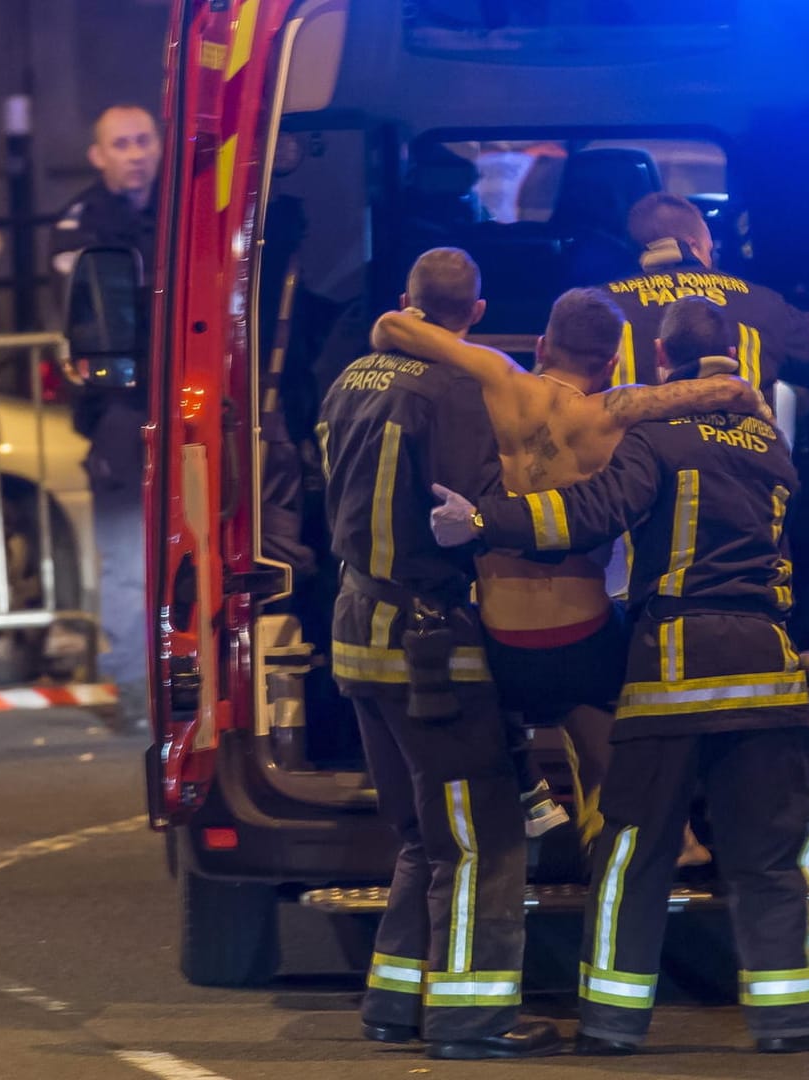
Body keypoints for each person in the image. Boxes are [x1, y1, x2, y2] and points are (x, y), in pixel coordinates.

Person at [431, 295, 809, 1055]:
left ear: (661, 360)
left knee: (632, 852)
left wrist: (485, 523)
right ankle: (792, 1019)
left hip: (675, 669)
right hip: (768, 669)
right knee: (772, 853)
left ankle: (613, 1024)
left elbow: (589, 514)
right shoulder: (772, 445)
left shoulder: (658, 438)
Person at [369, 287, 767, 857]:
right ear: (609, 362)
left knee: (477, 703)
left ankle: (527, 798)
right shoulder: (617, 409)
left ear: (542, 344)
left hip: (503, 640)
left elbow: (392, 326)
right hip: (585, 637)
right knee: (613, 770)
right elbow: (718, 392)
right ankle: (647, 850)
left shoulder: (500, 378)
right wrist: (738, 391)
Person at [320, 248, 560, 1060]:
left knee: (423, 835)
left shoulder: (349, 377)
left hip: (355, 628)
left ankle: (394, 1002)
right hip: (430, 644)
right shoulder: (456, 393)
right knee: (481, 836)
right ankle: (472, 1016)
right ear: (478, 314)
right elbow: (469, 511)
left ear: (406, 302)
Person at [51, 104, 160, 725]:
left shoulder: (182, 206)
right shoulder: (82, 222)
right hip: (118, 407)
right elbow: (95, 313)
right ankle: (136, 688)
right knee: (125, 553)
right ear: (99, 155)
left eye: (144, 140)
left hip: (179, 400)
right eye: (121, 144)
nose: (136, 153)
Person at [602, 192, 809, 423]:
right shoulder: (761, 305)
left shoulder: (596, 309)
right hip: (740, 493)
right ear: (693, 244)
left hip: (632, 491)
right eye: (710, 249)